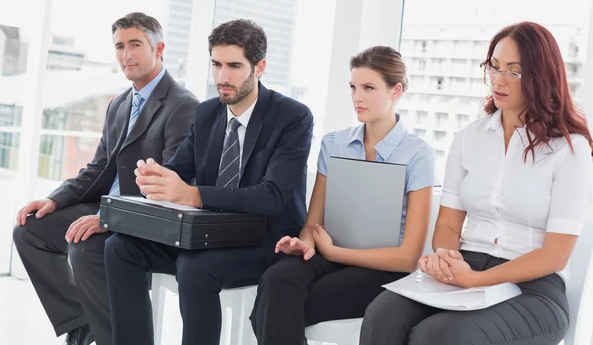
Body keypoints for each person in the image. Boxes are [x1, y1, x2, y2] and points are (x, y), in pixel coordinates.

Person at [360, 21, 593, 345]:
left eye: (514, 71)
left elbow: (555, 255)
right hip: (467, 266)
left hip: (535, 288)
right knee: (382, 313)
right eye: (494, 67)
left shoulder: (570, 148)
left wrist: (478, 280)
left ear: (542, 76)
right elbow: (448, 227)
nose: (499, 80)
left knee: (439, 336)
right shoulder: (469, 139)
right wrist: (447, 259)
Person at [103, 19, 314, 345]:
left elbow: (272, 197)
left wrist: (194, 195)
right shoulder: (207, 114)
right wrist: (155, 178)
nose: (222, 77)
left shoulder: (292, 117)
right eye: (216, 64)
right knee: (119, 248)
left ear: (259, 67)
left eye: (233, 66)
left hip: (263, 242)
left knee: (195, 268)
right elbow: (178, 172)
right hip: (206, 236)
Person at [12, 12, 200, 345]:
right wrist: (55, 199)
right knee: (30, 229)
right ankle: (81, 322)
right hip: (107, 208)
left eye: (135, 44)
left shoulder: (182, 105)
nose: (126, 54)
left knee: (84, 248)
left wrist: (110, 218)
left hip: (148, 220)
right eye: (119, 46)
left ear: (159, 48)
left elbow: (171, 185)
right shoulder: (120, 105)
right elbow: (99, 168)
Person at [250, 46, 436, 345]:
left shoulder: (418, 154)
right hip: (325, 253)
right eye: (353, 87)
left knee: (281, 305)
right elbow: (313, 224)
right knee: (276, 280)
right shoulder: (334, 143)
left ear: (396, 91)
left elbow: (408, 257)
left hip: (381, 267)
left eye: (368, 88)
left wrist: (335, 252)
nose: (357, 97)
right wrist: (304, 244)